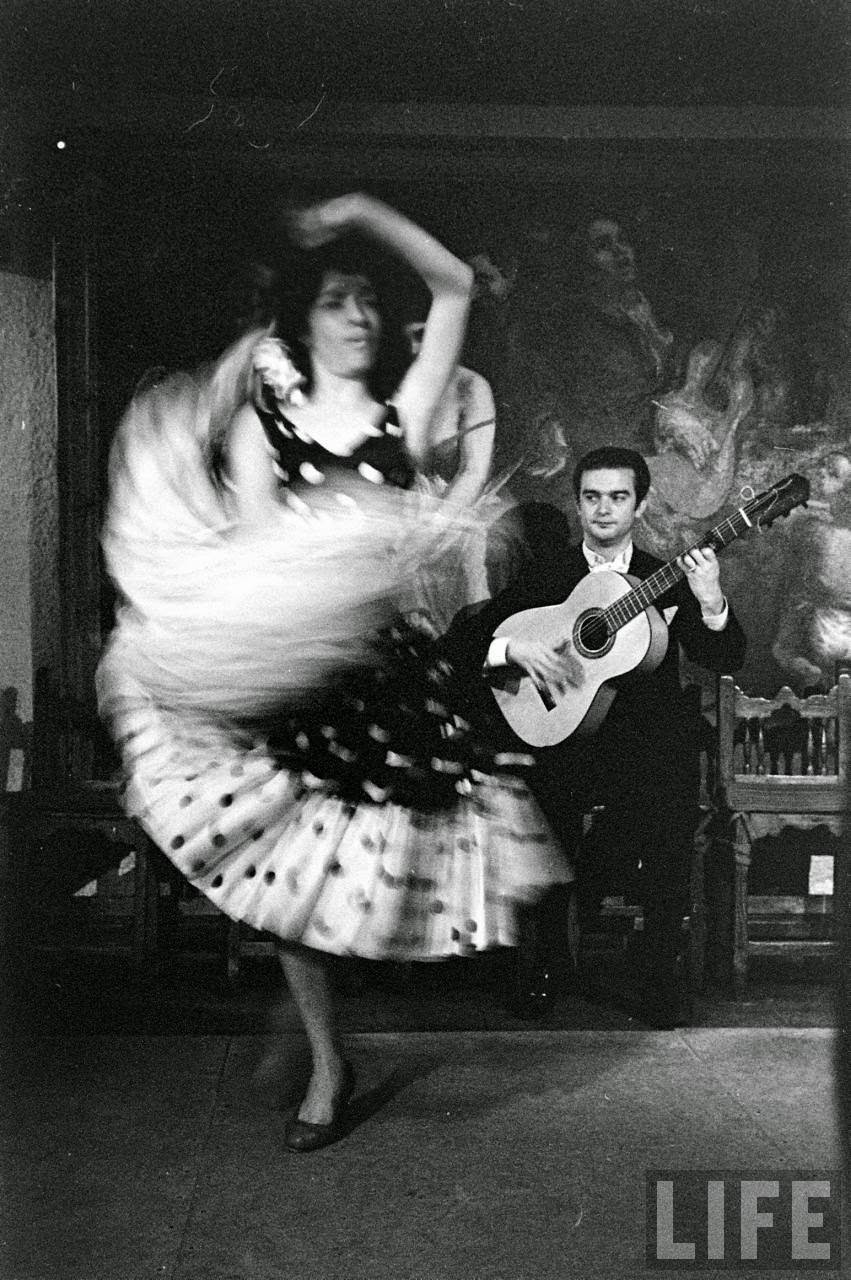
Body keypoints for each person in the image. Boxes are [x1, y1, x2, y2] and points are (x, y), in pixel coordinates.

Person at [97, 191, 569, 1152]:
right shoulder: (263, 431)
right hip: (309, 673)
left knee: (374, 877)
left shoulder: (409, 411)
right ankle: (325, 1059)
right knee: (288, 887)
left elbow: (450, 285)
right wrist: (340, 559)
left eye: (364, 301)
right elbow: (269, 573)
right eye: (335, 301)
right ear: (300, 321)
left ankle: (314, 1025)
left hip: (391, 678)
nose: (356, 317)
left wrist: (359, 210)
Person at [441, 446, 747, 1027]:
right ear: (578, 503)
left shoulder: (667, 575)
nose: (604, 510)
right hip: (566, 741)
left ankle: (659, 974)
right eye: (592, 497)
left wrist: (709, 600)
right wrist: (515, 649)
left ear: (641, 504)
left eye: (618, 497)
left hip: (647, 746)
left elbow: (726, 655)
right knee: (546, 813)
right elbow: (461, 644)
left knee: (668, 803)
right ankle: (548, 965)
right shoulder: (548, 574)